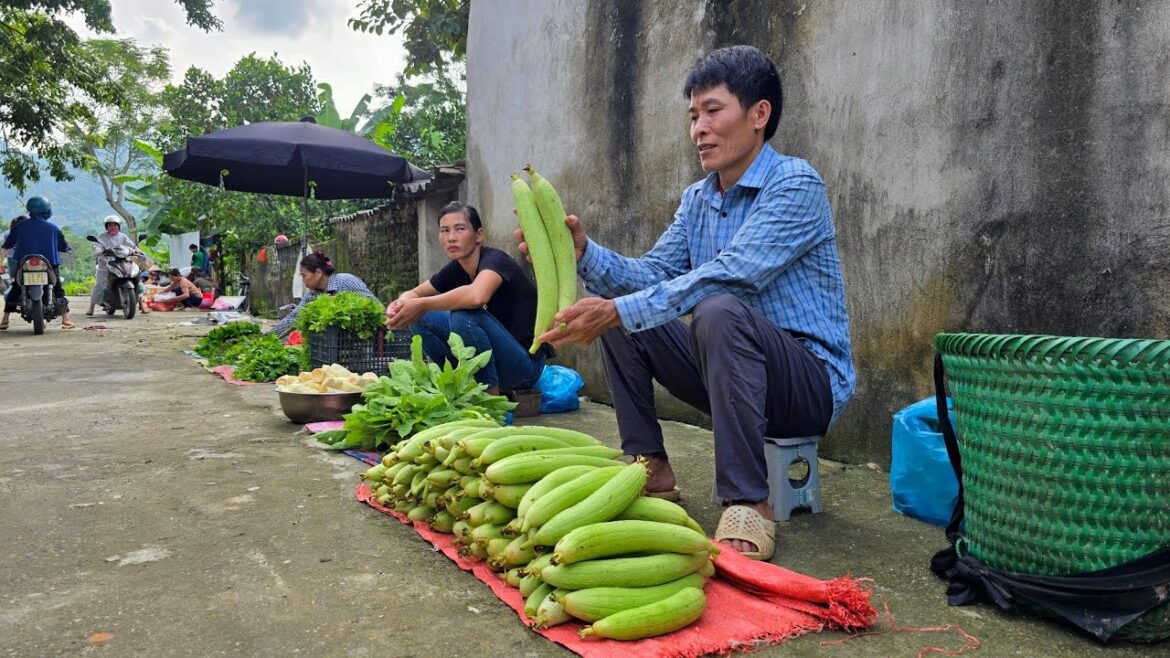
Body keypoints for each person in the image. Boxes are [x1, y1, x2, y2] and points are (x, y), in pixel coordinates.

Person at [517, 46, 855, 560]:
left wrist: (621, 309)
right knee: (624, 306)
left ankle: (748, 501)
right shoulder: (699, 199)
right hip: (731, 372)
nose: (699, 128)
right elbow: (652, 275)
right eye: (694, 116)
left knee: (715, 306)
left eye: (714, 111)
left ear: (759, 114)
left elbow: (734, 273)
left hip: (805, 384)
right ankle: (649, 465)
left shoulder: (795, 185)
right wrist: (583, 253)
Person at [385, 201, 550, 394]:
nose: (451, 238)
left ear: (479, 235)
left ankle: (489, 397)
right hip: (494, 360)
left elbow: (476, 296)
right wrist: (400, 304)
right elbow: (414, 293)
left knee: (464, 316)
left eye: (460, 229)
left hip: (524, 367)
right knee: (421, 317)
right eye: (444, 230)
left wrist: (421, 304)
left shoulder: (496, 260)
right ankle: (457, 383)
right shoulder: (456, 268)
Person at [0, 197, 76, 329]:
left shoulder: (20, 226)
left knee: (16, 287)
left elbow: (9, 243)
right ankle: (66, 319)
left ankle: (5, 319)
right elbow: (63, 245)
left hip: (24, 263)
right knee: (57, 286)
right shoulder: (53, 228)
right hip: (49, 263)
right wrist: (66, 249)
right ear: (47, 210)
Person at [270, 251, 376, 338]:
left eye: (304, 276)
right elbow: (294, 318)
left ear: (318, 273)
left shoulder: (346, 281)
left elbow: (375, 306)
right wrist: (268, 337)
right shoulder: (312, 295)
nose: (303, 280)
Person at [86, 215, 141, 316]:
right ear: (106, 227)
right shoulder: (101, 237)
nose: (113, 227)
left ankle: (142, 305)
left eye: (115, 225)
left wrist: (136, 250)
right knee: (100, 285)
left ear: (119, 227)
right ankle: (91, 307)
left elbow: (131, 245)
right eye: (110, 225)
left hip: (121, 262)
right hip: (106, 265)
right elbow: (96, 245)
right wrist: (99, 251)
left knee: (137, 278)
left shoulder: (123, 236)